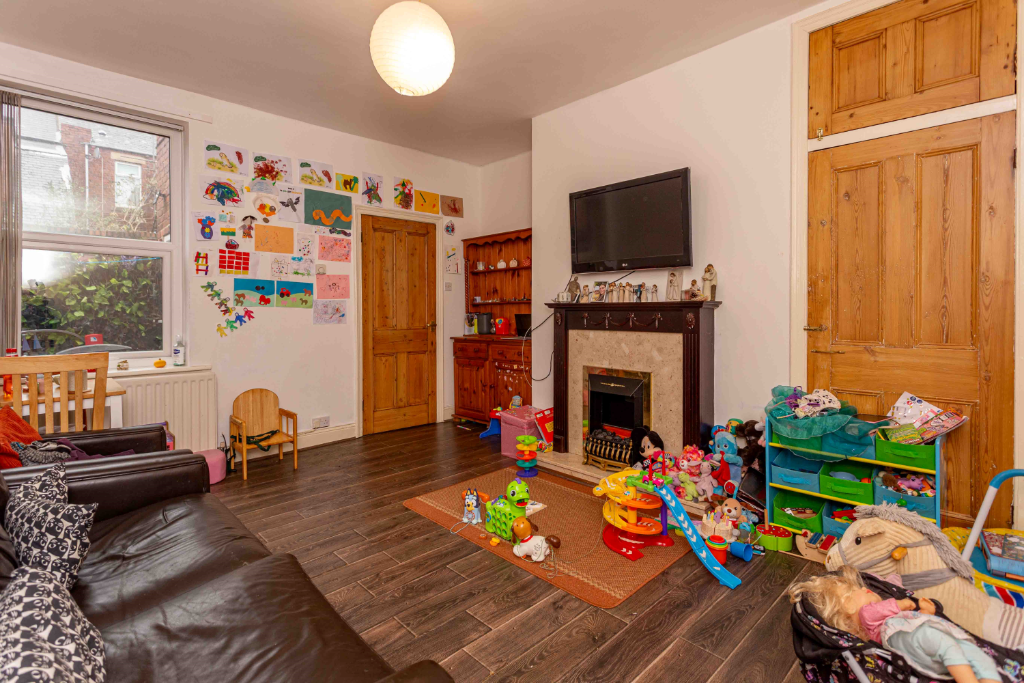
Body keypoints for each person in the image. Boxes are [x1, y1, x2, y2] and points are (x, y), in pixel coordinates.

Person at [788, 567, 1002, 683]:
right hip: (913, 638)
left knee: (974, 653)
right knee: (947, 647)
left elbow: (914, 619)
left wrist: (925, 613)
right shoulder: (869, 616)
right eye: (854, 592)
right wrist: (902, 603)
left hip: (924, 636)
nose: (864, 589)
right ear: (847, 610)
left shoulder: (884, 614)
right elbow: (877, 612)